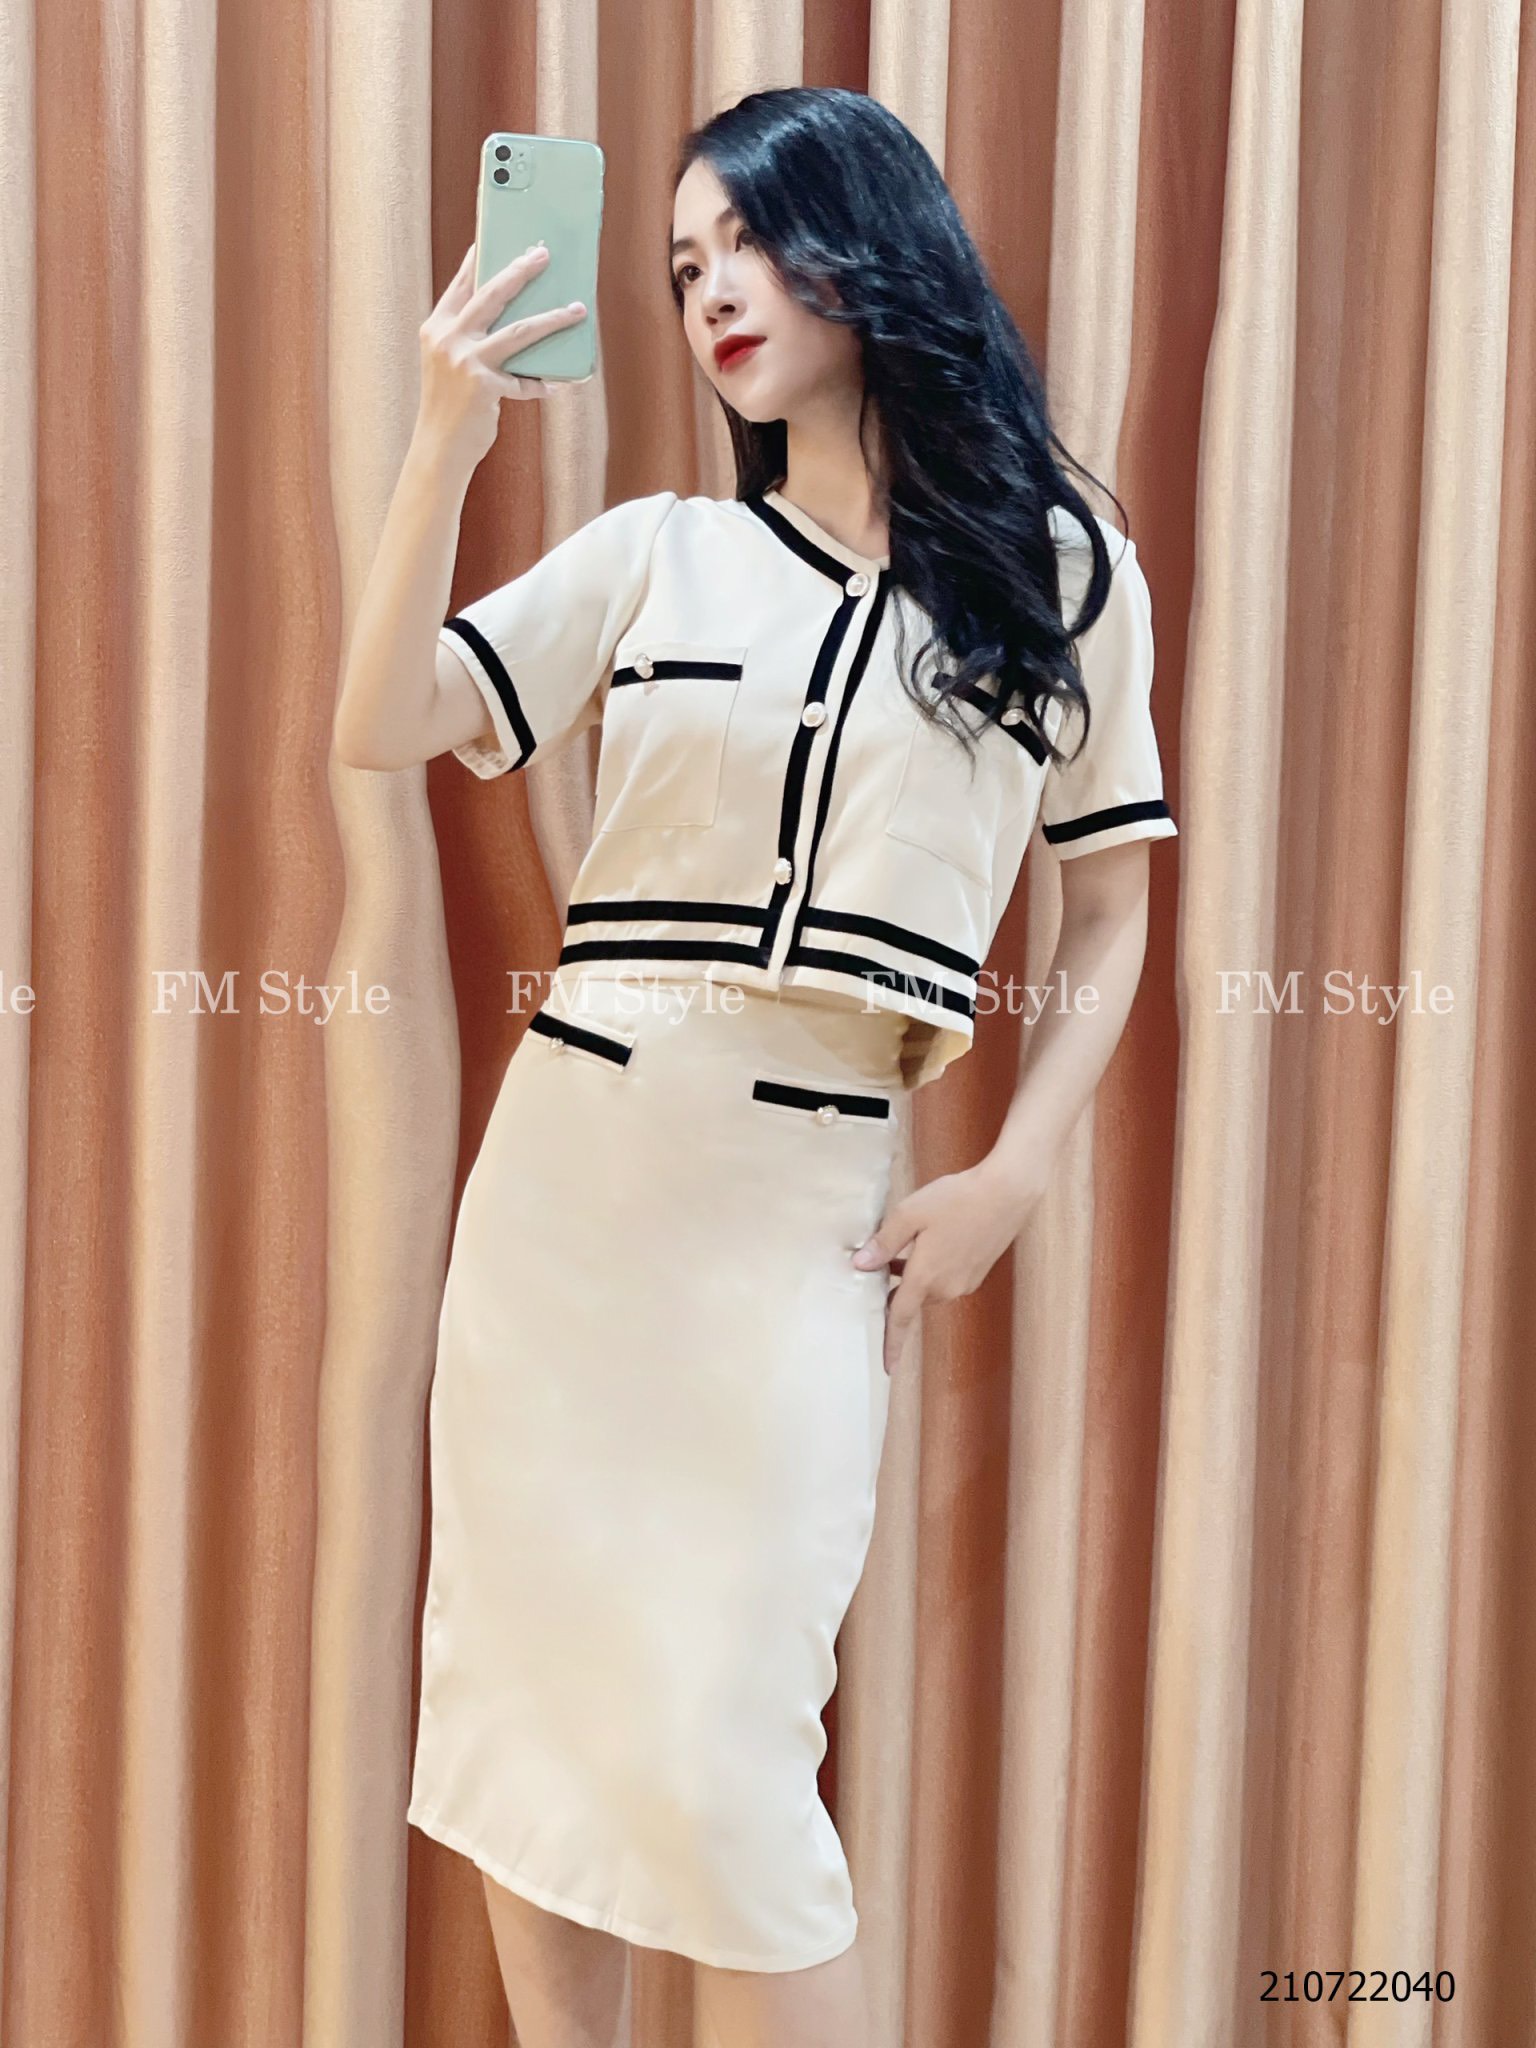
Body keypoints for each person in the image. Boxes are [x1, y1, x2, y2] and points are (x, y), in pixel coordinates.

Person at [335, 83, 1176, 2048]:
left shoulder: (1062, 571)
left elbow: (1115, 913)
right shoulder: (660, 557)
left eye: (750, 242)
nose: (711, 289)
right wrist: (447, 432)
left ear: (867, 243)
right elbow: (380, 719)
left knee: (726, 1755)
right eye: (681, 263)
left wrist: (1020, 1167)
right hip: (569, 1204)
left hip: (800, 1217)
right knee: (539, 1732)